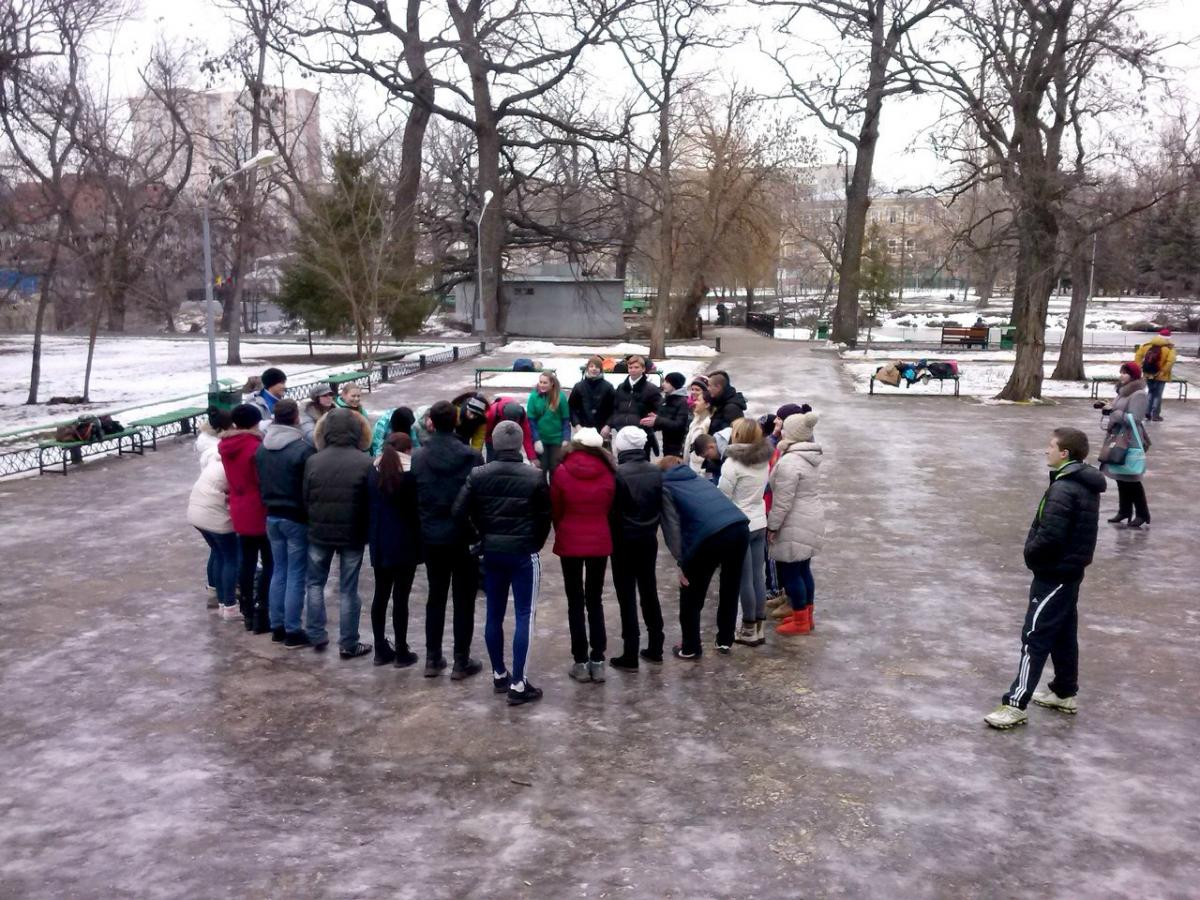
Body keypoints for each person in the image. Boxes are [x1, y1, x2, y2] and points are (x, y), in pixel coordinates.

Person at [984, 427, 1104, 730]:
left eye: (1050, 446)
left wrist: (1031, 555)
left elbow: (1050, 535)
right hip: (1069, 572)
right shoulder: (1080, 481)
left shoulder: (1064, 488)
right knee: (1062, 634)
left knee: (1034, 638)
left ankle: (1015, 704)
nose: (1045, 450)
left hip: (1054, 574)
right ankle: (1064, 693)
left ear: (1065, 453)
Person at [453, 420, 552, 706]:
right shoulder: (534, 476)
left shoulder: (479, 474)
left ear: (493, 443)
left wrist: (479, 537)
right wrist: (535, 542)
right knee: (524, 614)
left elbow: (458, 511)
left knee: (493, 614)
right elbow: (545, 516)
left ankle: (499, 674)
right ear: (520, 443)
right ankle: (519, 683)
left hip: (492, 551)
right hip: (522, 553)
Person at [411, 399, 486, 679]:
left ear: (430, 421)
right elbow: (478, 500)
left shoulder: (419, 456)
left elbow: (414, 495)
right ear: (456, 420)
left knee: (436, 596)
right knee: (464, 599)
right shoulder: (470, 456)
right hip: (462, 536)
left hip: (432, 536)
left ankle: (432, 658)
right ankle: (460, 660)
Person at [659, 456, 750, 658]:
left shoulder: (665, 486)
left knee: (691, 591)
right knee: (730, 586)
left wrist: (682, 562)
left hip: (710, 535)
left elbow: (672, 527)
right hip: (739, 526)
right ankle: (725, 640)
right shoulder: (698, 479)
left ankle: (690, 647)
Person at [303, 407, 374, 659]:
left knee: (314, 583)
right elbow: (370, 502)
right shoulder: (365, 462)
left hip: (319, 533)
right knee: (348, 589)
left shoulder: (313, 460)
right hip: (353, 535)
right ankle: (348, 642)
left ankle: (315, 634)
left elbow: (306, 498)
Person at [551, 428, 616, 684]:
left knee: (575, 601)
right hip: (599, 540)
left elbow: (556, 508)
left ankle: (580, 661)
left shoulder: (562, 471)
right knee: (595, 600)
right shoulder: (609, 471)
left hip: (570, 540)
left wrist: (562, 530)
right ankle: (598, 660)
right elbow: (610, 506)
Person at [255, 399, 316, 647]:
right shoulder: (302, 450)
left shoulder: (261, 449)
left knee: (278, 570)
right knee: (296, 573)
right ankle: (293, 630)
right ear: (295, 419)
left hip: (271, 515)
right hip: (296, 517)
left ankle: (277, 625)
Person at [608, 426, 665, 669]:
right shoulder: (655, 472)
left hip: (622, 541)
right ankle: (656, 645)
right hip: (648, 538)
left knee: (627, 596)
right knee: (649, 590)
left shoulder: (617, 474)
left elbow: (612, 511)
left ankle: (630, 651)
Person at [767, 412, 826, 636]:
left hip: (793, 521)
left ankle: (800, 619)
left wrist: (773, 526)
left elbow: (783, 501)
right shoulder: (807, 457)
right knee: (803, 569)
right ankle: (806, 615)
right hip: (809, 517)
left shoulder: (791, 462)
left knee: (791, 572)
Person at [367, 432, 422, 668]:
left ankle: (380, 648)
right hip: (405, 542)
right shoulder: (410, 475)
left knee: (380, 595)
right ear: (408, 450)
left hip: (380, 540)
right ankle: (401, 650)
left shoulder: (373, 471)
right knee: (401, 598)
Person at [219, 404, 273, 633]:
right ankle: (263, 607)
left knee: (247, 560)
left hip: (239, 508)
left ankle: (247, 610)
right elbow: (262, 479)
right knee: (270, 561)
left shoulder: (225, 445)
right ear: (255, 421)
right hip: (259, 508)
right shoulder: (254, 446)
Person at [719, 418, 773, 647]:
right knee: (757, 577)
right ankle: (759, 627)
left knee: (744, 580)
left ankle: (748, 627)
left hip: (740, 524)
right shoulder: (764, 460)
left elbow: (723, 496)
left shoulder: (732, 464)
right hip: (759, 521)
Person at [187, 420, 239, 619]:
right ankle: (229, 606)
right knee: (230, 557)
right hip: (214, 514)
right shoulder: (230, 463)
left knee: (218, 553)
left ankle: (215, 596)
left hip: (198, 512)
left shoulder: (216, 458)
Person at [1099, 361, 1151, 527]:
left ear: (1133, 375)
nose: (1121, 375)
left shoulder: (1138, 394)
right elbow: (1119, 411)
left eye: (1125, 373)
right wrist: (1108, 407)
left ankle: (1142, 514)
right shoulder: (1123, 392)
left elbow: (1135, 418)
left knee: (1132, 478)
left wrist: (1114, 413)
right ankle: (1124, 511)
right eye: (1121, 372)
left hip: (1131, 439)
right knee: (1121, 476)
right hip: (1119, 436)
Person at [195, 407, 234, 602]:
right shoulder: (217, 452)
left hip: (205, 504)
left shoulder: (208, 444)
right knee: (228, 556)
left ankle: (214, 588)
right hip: (217, 505)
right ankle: (226, 599)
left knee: (218, 552)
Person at [609, 355, 661, 456]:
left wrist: (648, 427)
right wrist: (616, 422)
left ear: (643, 369)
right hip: (622, 433)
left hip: (641, 436)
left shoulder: (651, 389)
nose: (633, 370)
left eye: (636, 367)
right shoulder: (621, 387)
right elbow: (615, 407)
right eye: (630, 367)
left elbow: (658, 411)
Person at [527, 371, 570, 475]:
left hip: (557, 440)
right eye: (540, 382)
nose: (542, 385)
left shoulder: (561, 397)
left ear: (552, 384)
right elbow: (531, 421)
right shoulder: (533, 397)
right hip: (541, 440)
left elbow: (565, 420)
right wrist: (536, 440)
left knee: (555, 471)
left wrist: (566, 439)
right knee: (541, 470)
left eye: (545, 383)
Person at [1133, 328, 1177, 422]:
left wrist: (1139, 366)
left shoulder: (1147, 346)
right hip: (1161, 376)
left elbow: (1138, 355)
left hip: (1148, 374)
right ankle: (1155, 415)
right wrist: (1163, 371)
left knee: (1150, 392)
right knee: (1158, 395)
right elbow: (1170, 361)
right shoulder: (1169, 349)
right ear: (1168, 338)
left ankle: (1147, 413)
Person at [484, 396, 538, 464]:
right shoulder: (492, 413)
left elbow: (527, 437)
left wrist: (532, 457)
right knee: (492, 462)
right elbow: (485, 433)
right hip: (492, 439)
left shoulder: (522, 416)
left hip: (512, 438)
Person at [569, 355, 616, 433]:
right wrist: (577, 424)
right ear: (587, 368)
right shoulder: (579, 387)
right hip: (582, 429)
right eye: (591, 366)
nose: (594, 369)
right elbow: (571, 408)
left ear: (601, 369)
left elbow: (615, 408)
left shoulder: (608, 387)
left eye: (597, 367)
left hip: (602, 430)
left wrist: (608, 425)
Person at [655, 372, 691, 458]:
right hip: (667, 444)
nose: (663, 384)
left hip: (678, 446)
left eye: (667, 382)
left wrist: (658, 420)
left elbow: (679, 425)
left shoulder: (682, 401)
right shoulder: (667, 399)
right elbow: (662, 418)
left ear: (675, 384)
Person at [706, 371, 747, 435]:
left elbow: (735, 434)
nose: (708, 389)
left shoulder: (731, 408)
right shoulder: (718, 402)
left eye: (709, 386)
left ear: (718, 387)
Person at [686, 386, 714, 474]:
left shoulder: (708, 424)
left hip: (700, 471)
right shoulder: (696, 420)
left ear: (707, 404)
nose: (695, 403)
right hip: (691, 467)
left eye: (698, 400)